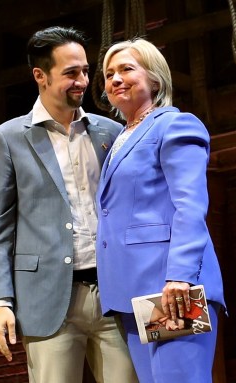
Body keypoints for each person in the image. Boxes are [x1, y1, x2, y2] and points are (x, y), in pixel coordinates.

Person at [0, 26, 138, 383]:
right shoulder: (7, 140)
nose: (82, 80)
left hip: (115, 294)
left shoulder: (110, 133)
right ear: (40, 76)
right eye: (70, 73)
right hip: (48, 300)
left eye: (84, 70)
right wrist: (0, 301)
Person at [96, 37, 227, 382]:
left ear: (154, 79)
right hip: (135, 296)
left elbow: (190, 204)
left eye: (126, 69)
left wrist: (180, 275)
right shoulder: (120, 139)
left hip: (173, 290)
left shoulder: (174, 125)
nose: (116, 79)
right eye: (109, 74)